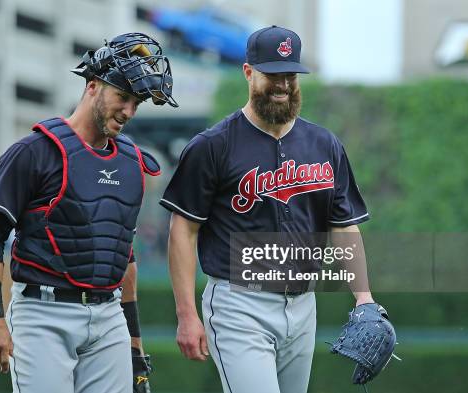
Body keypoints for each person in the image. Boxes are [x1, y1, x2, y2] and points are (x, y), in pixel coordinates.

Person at [160, 26, 375, 393]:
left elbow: (342, 226)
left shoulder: (325, 145)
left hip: (303, 305)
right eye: (272, 74)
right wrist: (186, 313)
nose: (283, 84)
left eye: (290, 75)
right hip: (238, 305)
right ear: (248, 72)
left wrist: (364, 297)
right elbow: (183, 229)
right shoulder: (212, 146)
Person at [0, 32, 177, 393]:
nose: (129, 111)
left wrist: (134, 342)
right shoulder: (34, 151)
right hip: (42, 314)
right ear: (93, 87)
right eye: (123, 96)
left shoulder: (131, 162)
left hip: (109, 317)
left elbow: (121, 254)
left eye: (137, 102)